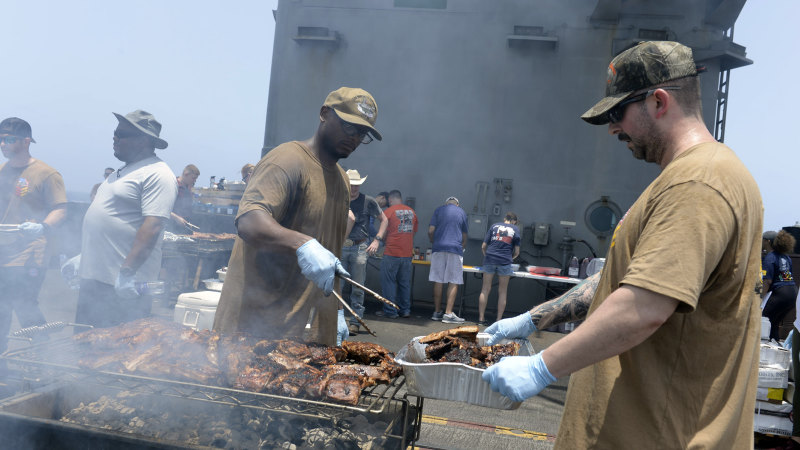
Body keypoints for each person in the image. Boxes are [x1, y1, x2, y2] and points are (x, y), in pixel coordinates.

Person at [482, 41, 763, 448]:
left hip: (660, 436)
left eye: (618, 113)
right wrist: (533, 318)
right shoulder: (694, 176)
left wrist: (543, 367)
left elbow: (644, 307)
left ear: (659, 101)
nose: (613, 128)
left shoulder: (697, 183)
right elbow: (630, 280)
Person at [212, 87, 382, 346]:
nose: (355, 138)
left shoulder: (342, 181)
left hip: (298, 334)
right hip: (250, 331)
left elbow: (330, 256)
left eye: (362, 133)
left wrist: (335, 313)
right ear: (325, 114)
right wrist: (303, 244)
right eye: (349, 127)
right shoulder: (287, 160)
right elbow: (249, 220)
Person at [77, 110, 178, 328]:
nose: (115, 138)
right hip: (95, 281)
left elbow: (153, 225)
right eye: (115, 133)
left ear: (143, 140)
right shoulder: (121, 172)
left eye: (121, 134)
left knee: (115, 355)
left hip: (122, 287)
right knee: (83, 348)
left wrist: (127, 273)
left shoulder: (158, 173)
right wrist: (82, 259)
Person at [0, 117, 67, 357]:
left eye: (8, 139)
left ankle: (43, 353)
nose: (2, 144)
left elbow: (60, 209)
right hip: (3, 250)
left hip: (30, 251)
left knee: (23, 303)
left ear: (26, 141)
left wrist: (43, 226)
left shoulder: (47, 174)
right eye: (0, 139)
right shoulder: (2, 170)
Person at [342, 169, 388, 334]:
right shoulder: (339, 198)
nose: (354, 188)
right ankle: (336, 321)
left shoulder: (368, 201)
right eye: (352, 185)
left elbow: (384, 219)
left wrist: (377, 239)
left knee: (358, 287)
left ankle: (355, 322)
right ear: (346, 184)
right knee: (336, 285)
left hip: (360, 247)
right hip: (341, 245)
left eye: (357, 185)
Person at [428, 196, 468, 324]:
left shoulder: (439, 210)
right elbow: (465, 235)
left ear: (446, 203)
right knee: (453, 281)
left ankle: (437, 312)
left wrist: (433, 241)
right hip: (455, 248)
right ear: (457, 204)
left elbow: (431, 230)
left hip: (438, 248)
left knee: (438, 280)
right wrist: (462, 247)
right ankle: (448, 314)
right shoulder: (461, 212)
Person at [378, 190, 418, 318]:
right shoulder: (412, 212)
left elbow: (383, 233)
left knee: (389, 283)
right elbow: (413, 232)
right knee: (404, 283)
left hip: (391, 252)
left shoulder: (388, 212)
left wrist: (381, 242)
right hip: (406, 254)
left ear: (390, 200)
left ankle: (390, 311)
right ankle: (405, 310)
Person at [477, 212, 521, 326]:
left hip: (490, 259)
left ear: (504, 219)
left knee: (485, 289)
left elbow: (483, 246)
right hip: (505, 261)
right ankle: (498, 320)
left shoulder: (494, 226)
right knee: (502, 291)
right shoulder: (515, 229)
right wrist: (510, 258)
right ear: (514, 221)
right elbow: (517, 252)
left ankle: (481, 319)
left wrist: (487, 256)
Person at [761, 230, 797, 341]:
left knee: (764, 319)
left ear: (767, 241)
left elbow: (767, 281)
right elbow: (786, 276)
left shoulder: (770, 258)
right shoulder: (786, 257)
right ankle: (774, 343)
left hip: (781, 293)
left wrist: (760, 299)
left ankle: (762, 347)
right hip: (792, 292)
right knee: (774, 322)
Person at [170, 164, 200, 231]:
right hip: (172, 225)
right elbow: (163, 208)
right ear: (186, 174)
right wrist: (177, 218)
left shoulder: (190, 187)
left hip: (185, 224)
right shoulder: (173, 185)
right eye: (193, 178)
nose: (194, 181)